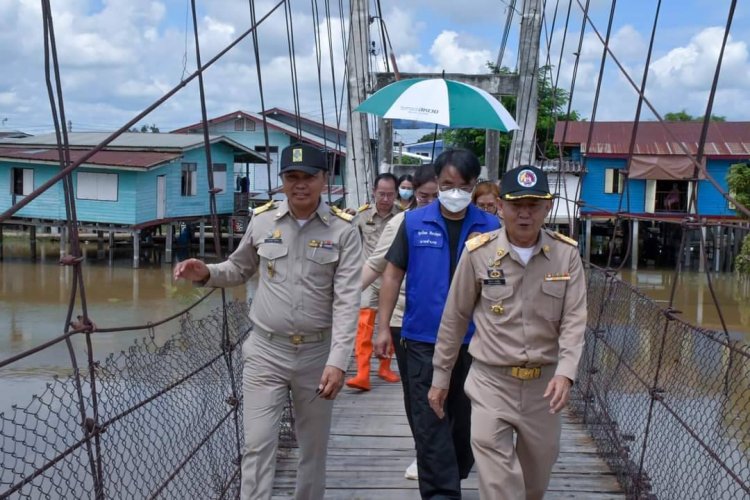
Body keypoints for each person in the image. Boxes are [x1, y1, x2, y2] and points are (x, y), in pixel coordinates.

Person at [173, 143, 362, 500]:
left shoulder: (344, 231)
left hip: (317, 356)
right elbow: (238, 269)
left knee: (313, 450)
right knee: (258, 445)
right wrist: (205, 273)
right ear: (282, 182)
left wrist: (339, 362)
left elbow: (349, 300)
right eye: (292, 177)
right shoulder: (262, 221)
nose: (300, 184)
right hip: (264, 352)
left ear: (325, 180)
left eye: (308, 177)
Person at [429, 165, 587, 500]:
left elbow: (574, 321)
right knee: (501, 487)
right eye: (517, 205)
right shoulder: (479, 254)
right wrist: (441, 377)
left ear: (548, 207)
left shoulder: (566, 255)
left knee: (533, 486)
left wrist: (567, 373)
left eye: (534, 205)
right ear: (501, 207)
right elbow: (454, 318)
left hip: (544, 389)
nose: (525, 214)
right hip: (491, 384)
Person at [375, 149, 501, 499]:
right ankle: (442, 493)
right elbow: (392, 275)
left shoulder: (490, 227)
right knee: (430, 424)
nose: (454, 192)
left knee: (465, 424)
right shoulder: (414, 222)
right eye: (447, 185)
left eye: (463, 186)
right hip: (421, 339)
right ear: (437, 184)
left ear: (474, 186)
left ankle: (456, 470)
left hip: (474, 342)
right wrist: (383, 326)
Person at [360, 163, 439, 480]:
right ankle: (425, 454)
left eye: (437, 195)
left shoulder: (460, 223)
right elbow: (375, 264)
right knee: (417, 393)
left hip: (449, 320)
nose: (430, 202)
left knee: (452, 391)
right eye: (423, 196)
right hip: (404, 319)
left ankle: (446, 451)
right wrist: (340, 297)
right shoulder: (401, 222)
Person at [345, 172, 401, 390]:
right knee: (364, 325)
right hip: (369, 278)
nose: (385, 199)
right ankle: (362, 372)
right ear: (373, 193)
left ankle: (385, 367)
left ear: (396, 194)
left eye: (389, 194)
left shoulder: (403, 217)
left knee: (391, 324)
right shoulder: (361, 216)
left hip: (394, 278)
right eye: (381, 194)